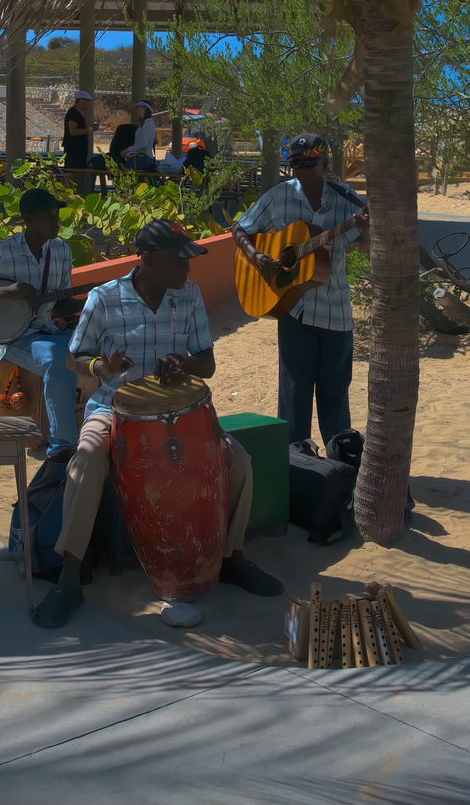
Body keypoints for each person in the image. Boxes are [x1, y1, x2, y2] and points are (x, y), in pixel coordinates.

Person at [32, 218, 284, 628]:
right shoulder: (104, 298)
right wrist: (101, 365)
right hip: (113, 406)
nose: (187, 269)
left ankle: (232, 558)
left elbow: (207, 363)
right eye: (177, 261)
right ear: (148, 259)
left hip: (181, 416)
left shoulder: (188, 297)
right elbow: (73, 356)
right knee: (87, 459)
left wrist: (184, 362)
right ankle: (68, 579)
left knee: (238, 461)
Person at [231, 133, 370, 447]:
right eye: (296, 163)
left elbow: (363, 246)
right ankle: (296, 463)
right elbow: (240, 227)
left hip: (335, 311)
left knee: (335, 393)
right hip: (293, 309)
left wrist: (368, 228)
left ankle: (340, 463)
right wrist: (257, 258)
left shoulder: (346, 198)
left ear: (324, 162)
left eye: (311, 163)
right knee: (294, 395)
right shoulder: (278, 196)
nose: (303, 169)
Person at [0, 188, 81, 459]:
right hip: (13, 338)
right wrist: (3, 292)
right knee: (59, 359)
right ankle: (63, 447)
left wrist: (96, 299)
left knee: (100, 345)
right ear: (29, 219)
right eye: (47, 215)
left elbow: (61, 304)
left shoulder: (61, 251)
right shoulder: (2, 252)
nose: (56, 221)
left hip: (48, 330)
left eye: (57, 214)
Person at [123, 100, 157, 171]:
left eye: (139, 107)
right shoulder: (144, 123)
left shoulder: (148, 123)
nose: (137, 110)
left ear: (145, 108)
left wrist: (127, 150)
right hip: (140, 159)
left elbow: (143, 143)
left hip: (144, 160)